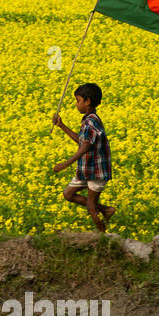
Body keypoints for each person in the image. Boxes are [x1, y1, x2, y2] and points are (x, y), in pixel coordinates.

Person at [51, 83, 113, 233]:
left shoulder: (90, 122)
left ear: (88, 101)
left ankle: (104, 236)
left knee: (91, 206)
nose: (76, 104)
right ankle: (106, 210)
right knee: (68, 194)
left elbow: (85, 147)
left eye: (78, 101)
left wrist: (64, 165)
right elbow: (82, 140)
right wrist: (62, 126)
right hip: (88, 168)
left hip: (96, 170)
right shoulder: (89, 119)